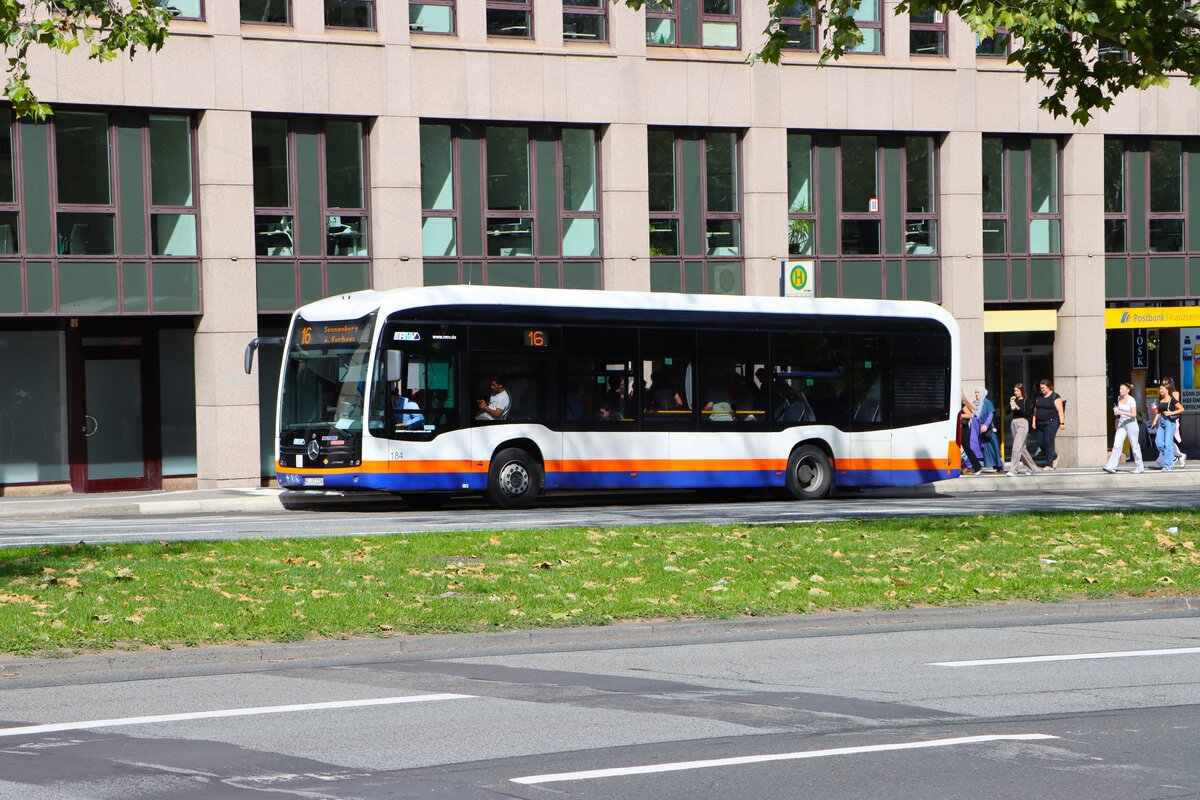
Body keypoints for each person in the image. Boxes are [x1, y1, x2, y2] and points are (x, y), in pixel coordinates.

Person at [1103, 381, 1143, 474]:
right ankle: (1111, 466)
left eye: (1122, 389)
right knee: (1117, 444)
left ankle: (1140, 467)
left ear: (1128, 390)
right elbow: (1118, 412)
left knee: (1134, 445)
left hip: (1131, 423)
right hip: (1122, 423)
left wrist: (1123, 412)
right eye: (1120, 389)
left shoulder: (1131, 400)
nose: (1120, 391)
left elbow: (1134, 414)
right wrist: (1116, 421)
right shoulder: (1119, 398)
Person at [1150, 382, 1185, 471]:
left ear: (1167, 390)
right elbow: (1159, 412)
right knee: (1158, 442)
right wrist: (1154, 420)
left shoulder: (1172, 400)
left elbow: (1181, 409)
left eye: (1162, 389)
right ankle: (1171, 457)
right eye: (1160, 389)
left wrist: (1171, 413)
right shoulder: (1161, 399)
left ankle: (1168, 466)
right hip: (1162, 422)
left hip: (1170, 423)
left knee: (1168, 444)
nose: (1160, 391)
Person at [1032, 378, 1065, 470]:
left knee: (1048, 442)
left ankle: (1049, 464)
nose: (1042, 390)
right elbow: (1036, 409)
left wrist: (1062, 423)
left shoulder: (1055, 397)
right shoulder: (1039, 396)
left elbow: (1060, 411)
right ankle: (1054, 456)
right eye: (1041, 388)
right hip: (1040, 423)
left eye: (1044, 388)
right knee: (1041, 443)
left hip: (1051, 422)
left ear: (1049, 387)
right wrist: (1034, 421)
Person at [1006, 383, 1038, 476]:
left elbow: (1027, 414)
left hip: (1022, 423)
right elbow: (1007, 413)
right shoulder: (1014, 400)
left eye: (1017, 391)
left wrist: (1017, 407)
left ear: (1022, 391)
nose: (1015, 393)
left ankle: (1013, 470)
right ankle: (1032, 467)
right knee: (1021, 448)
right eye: (1015, 391)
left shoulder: (1026, 401)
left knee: (1016, 447)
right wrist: (1010, 403)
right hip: (1014, 423)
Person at [973, 387, 1003, 472]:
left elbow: (990, 415)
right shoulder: (975, 403)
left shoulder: (987, 403)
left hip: (988, 428)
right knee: (981, 447)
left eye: (978, 392)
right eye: (975, 392)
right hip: (978, 429)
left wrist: (986, 425)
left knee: (993, 446)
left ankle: (998, 465)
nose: (976, 394)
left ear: (982, 393)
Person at [959, 398, 982, 474]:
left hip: (964, 429)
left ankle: (978, 467)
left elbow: (969, 415)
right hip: (959, 429)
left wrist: (959, 415)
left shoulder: (962, 405)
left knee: (967, 449)